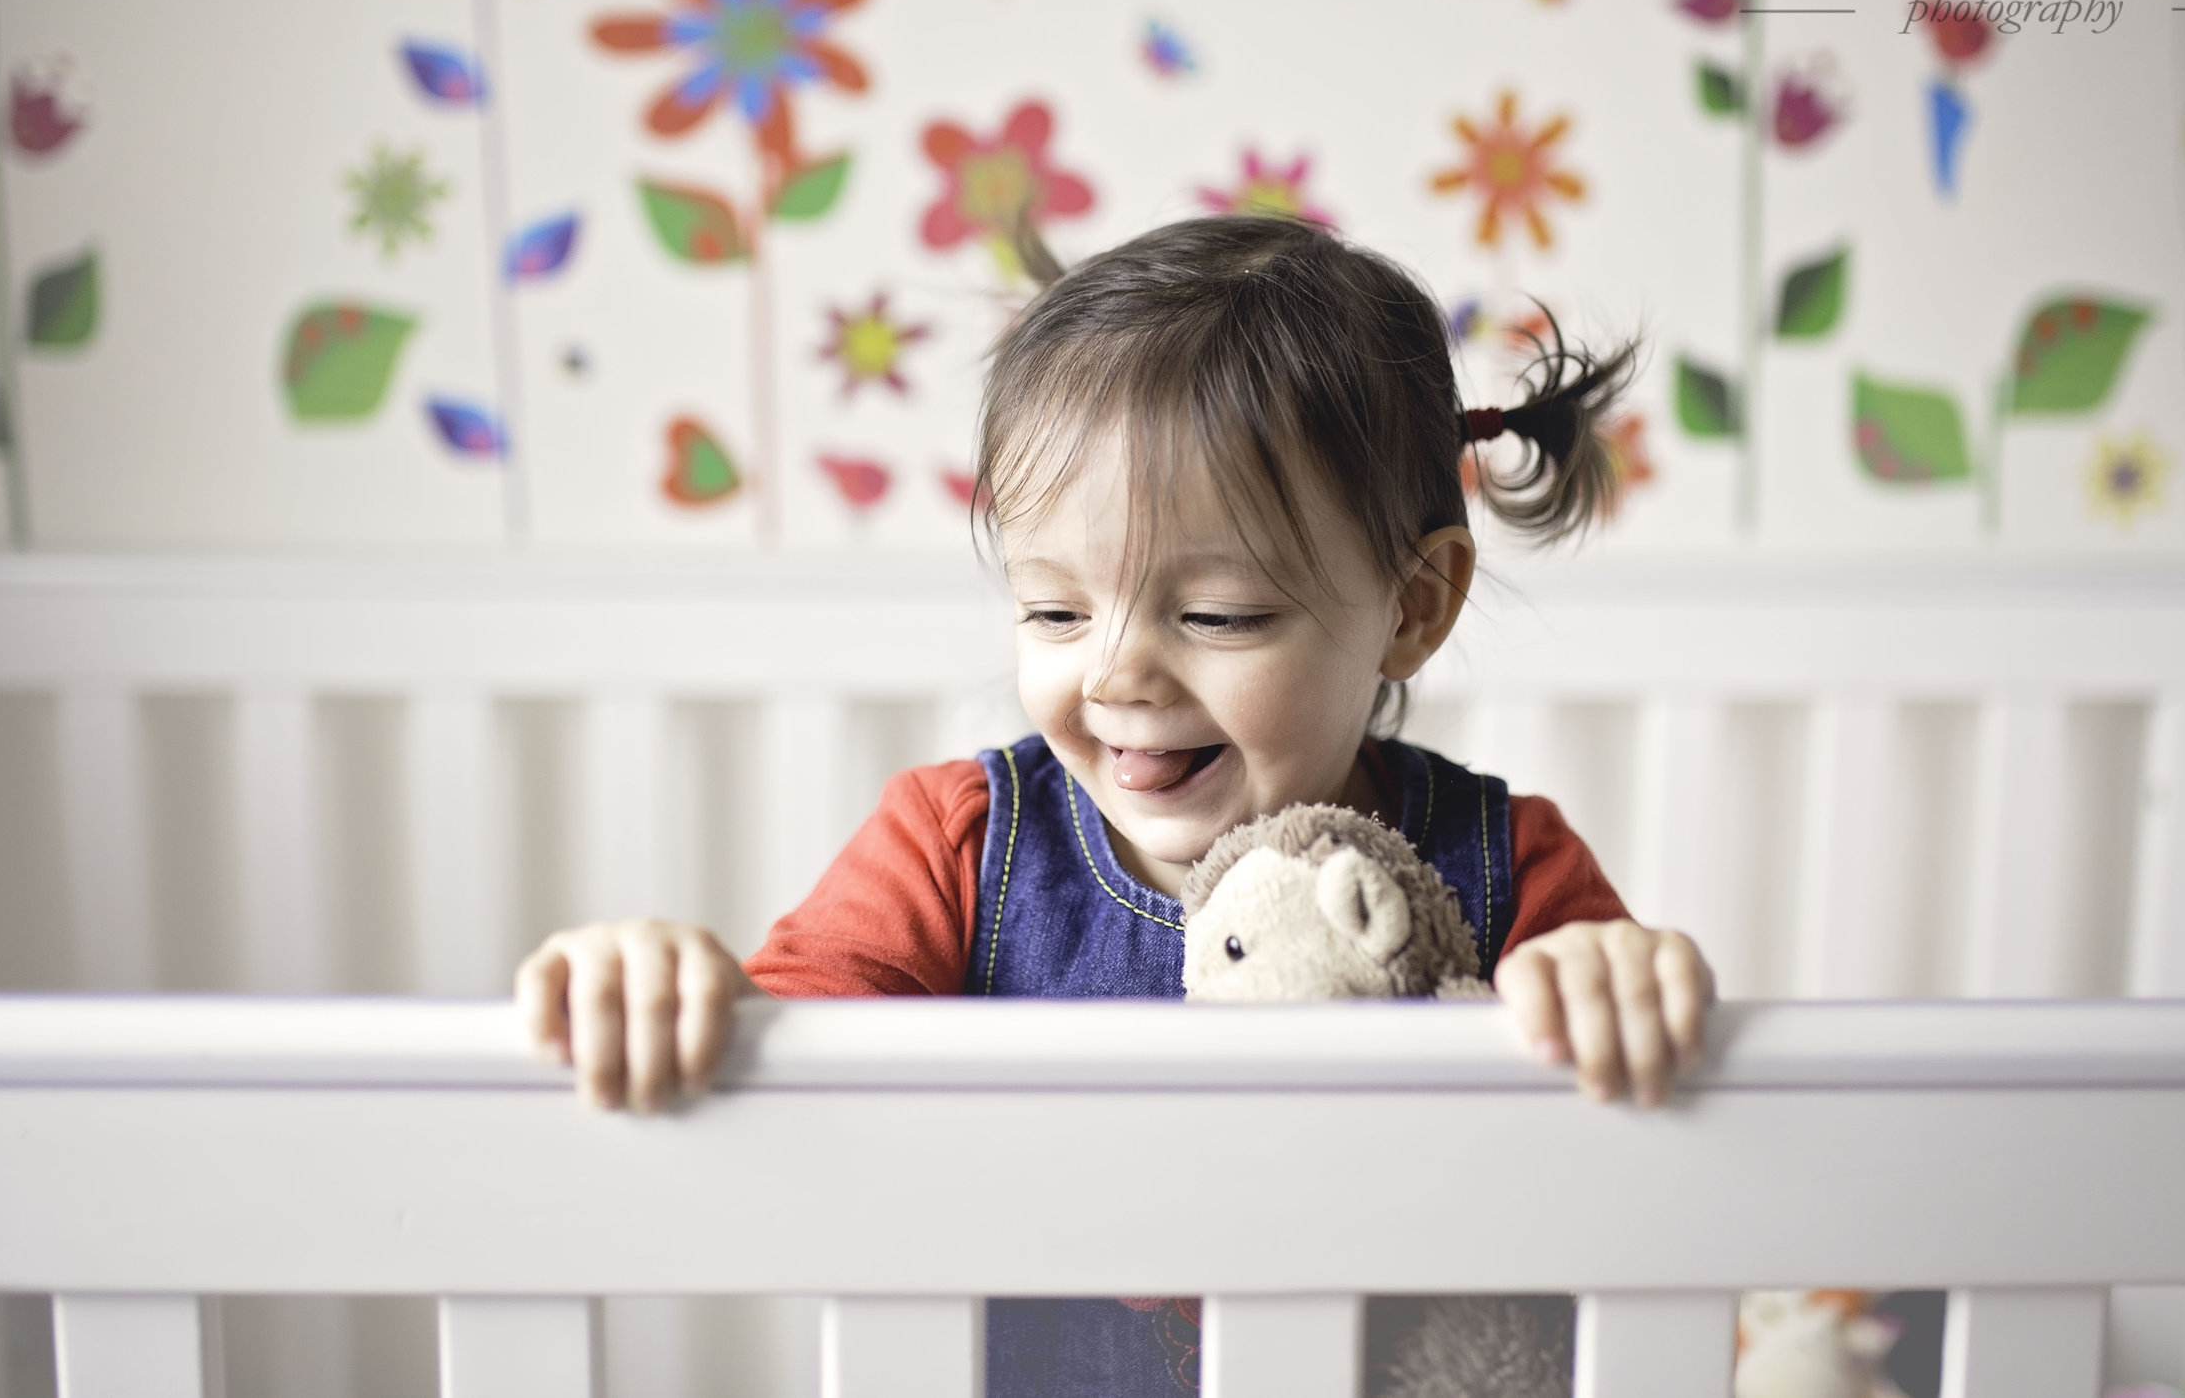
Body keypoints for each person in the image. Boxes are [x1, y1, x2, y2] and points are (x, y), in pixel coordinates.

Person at [515, 214, 1714, 1393]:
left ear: (1412, 605)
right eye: (1053, 611)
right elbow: (782, 1064)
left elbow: (1648, 1155)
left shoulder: (1504, 867)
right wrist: (682, 986)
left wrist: (1613, 984)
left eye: (1218, 615)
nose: (1116, 676)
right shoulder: (958, 847)